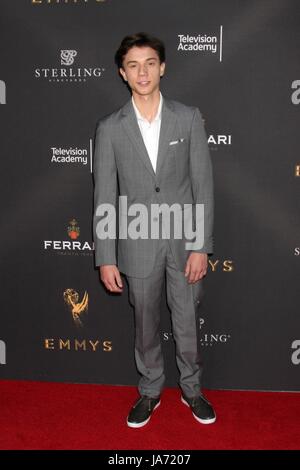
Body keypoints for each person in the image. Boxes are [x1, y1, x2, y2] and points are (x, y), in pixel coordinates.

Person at [93, 32, 216, 428]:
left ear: (162, 68)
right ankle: (150, 391)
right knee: (144, 323)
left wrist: (201, 245)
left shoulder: (188, 117)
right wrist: (106, 256)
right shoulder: (110, 128)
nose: (142, 71)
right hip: (136, 243)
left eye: (149, 63)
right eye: (133, 65)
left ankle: (192, 389)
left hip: (183, 241)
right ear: (122, 74)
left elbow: (203, 186)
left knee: (186, 321)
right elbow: (105, 197)